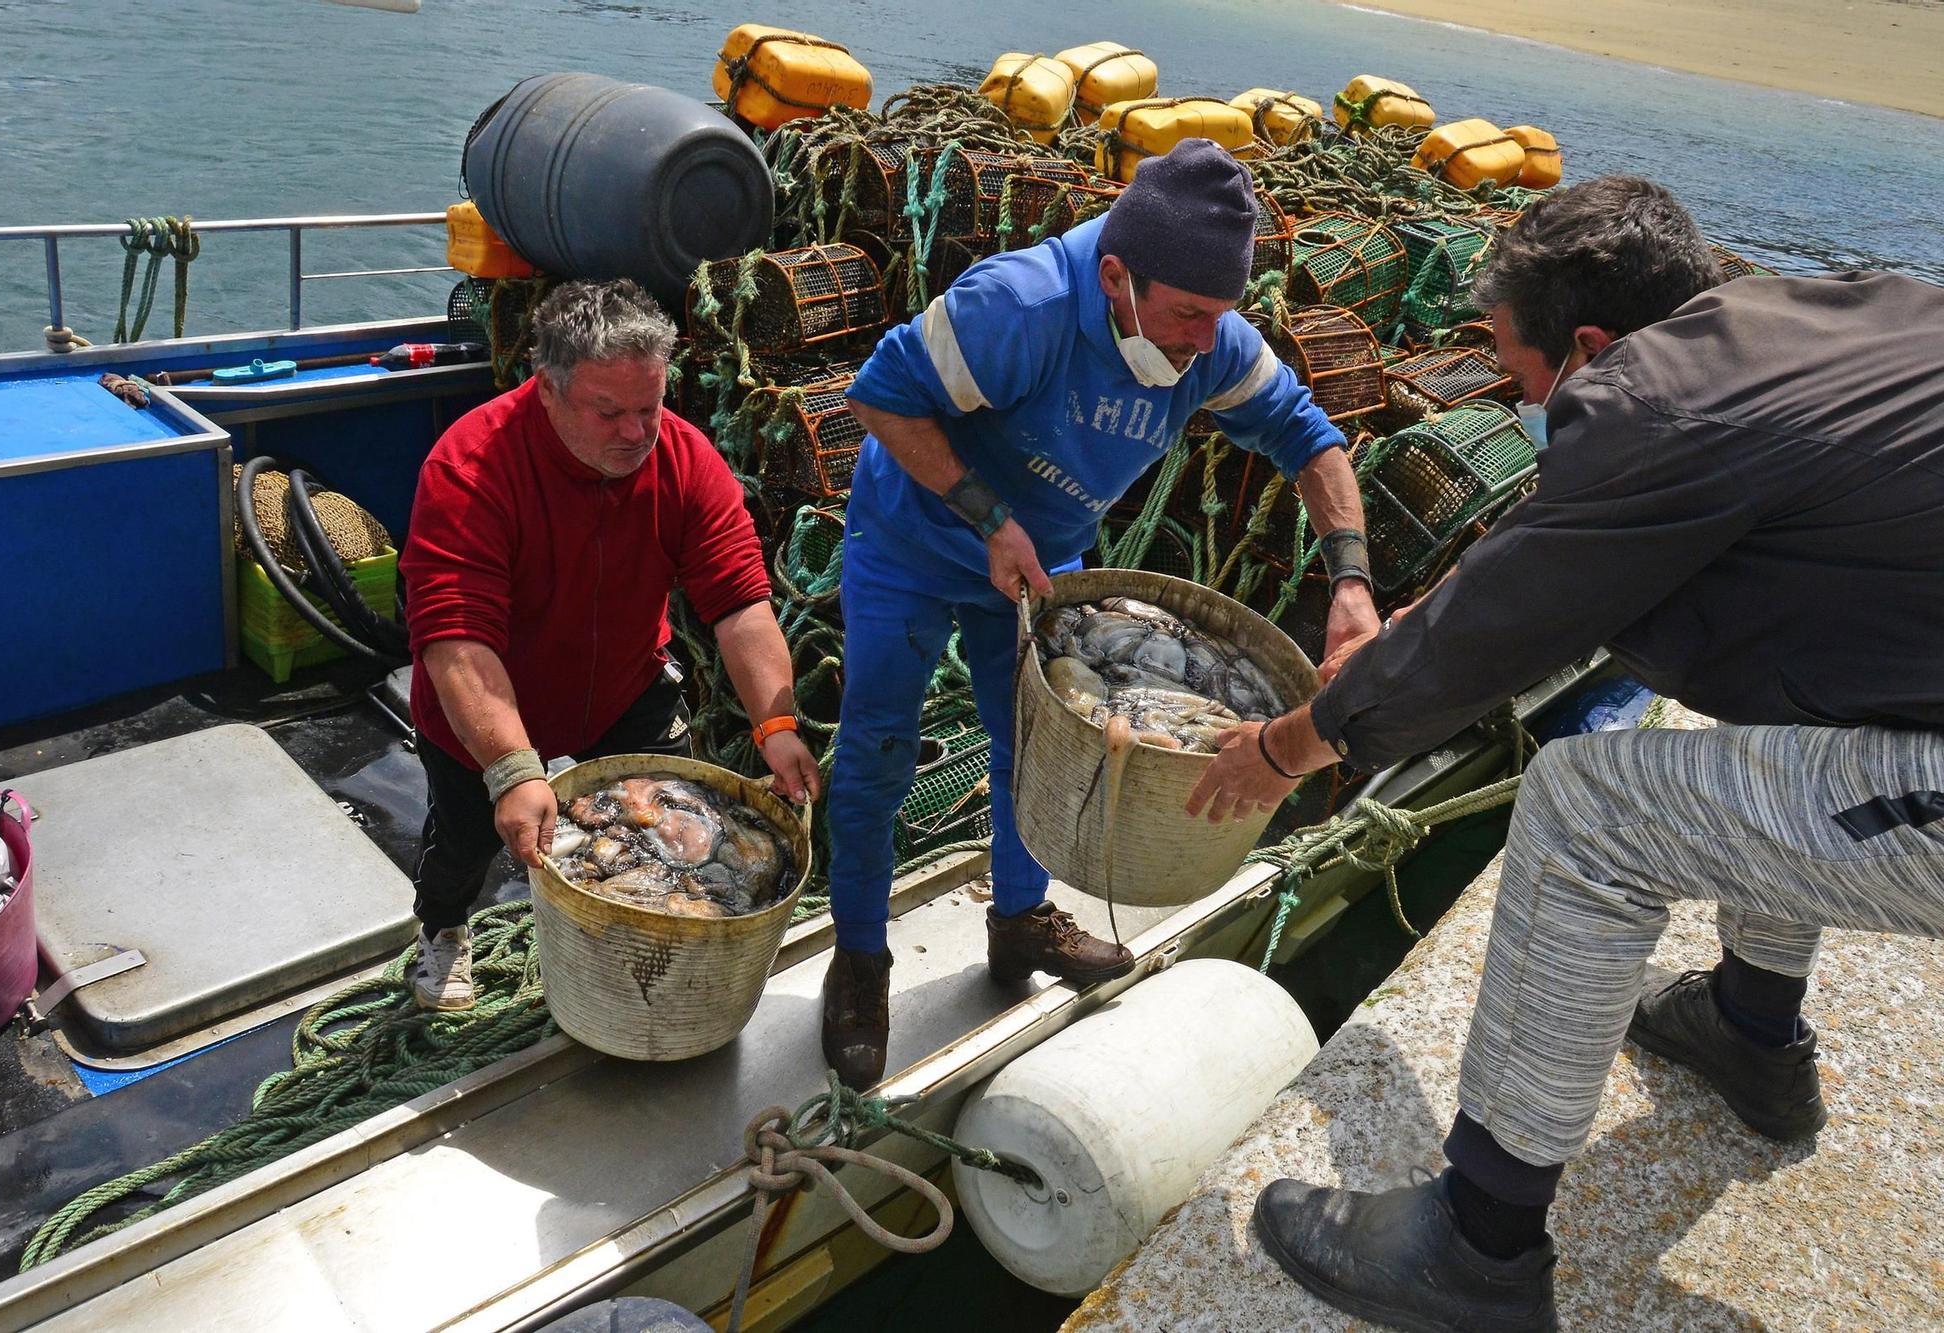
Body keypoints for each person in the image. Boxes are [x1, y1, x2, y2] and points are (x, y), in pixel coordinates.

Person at [1187, 175, 1944, 1331]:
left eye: (1518, 366)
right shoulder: (1819, 317)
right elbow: (1556, 546)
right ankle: (1747, 1034)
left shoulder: (1654, 404)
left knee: (1583, 809)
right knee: (1756, 678)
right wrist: (1426, 611)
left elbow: (1494, 630)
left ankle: (1476, 1244)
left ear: (1589, 345)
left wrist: (1291, 745)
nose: (1518, 392)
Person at [824, 140, 1380, 1087]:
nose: (1207, 341)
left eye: (1223, 317)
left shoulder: (1213, 342)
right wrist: (988, 519)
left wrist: (1354, 582)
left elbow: (1311, 441)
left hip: (1047, 568)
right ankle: (862, 960)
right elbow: (879, 400)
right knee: (878, 749)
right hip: (912, 543)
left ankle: (1017, 924)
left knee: (1043, 750)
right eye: (1188, 315)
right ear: (1115, 277)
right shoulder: (1019, 307)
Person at [400, 279, 822, 1011]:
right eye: (609, 411)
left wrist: (777, 725)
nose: (636, 433)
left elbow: (740, 604)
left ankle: (655, 940)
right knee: (463, 842)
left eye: (650, 408)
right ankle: (440, 928)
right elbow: (456, 640)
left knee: (677, 829)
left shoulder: (684, 460)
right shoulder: (470, 467)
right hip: (490, 704)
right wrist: (511, 769)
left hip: (626, 683)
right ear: (548, 391)